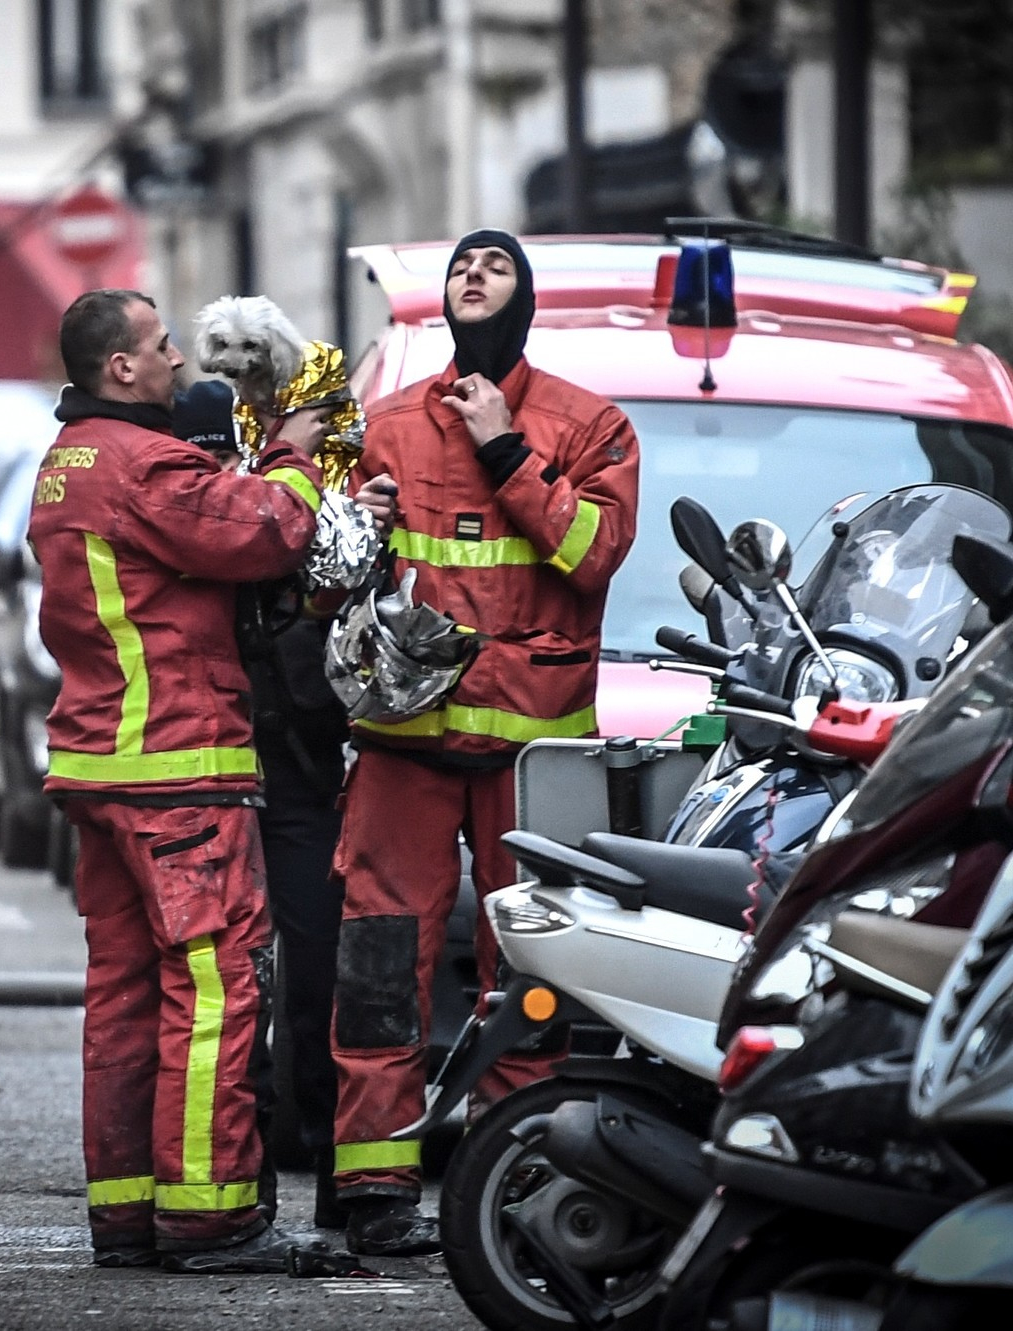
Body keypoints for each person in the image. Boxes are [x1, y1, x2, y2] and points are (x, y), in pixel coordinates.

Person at [329, 230, 642, 1254]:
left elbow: (593, 552)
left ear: (525, 296)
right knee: (380, 957)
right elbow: (336, 573)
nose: (474, 276)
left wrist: (508, 448)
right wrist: (354, 521)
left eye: (495, 265)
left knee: (533, 965)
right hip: (407, 738)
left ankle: (522, 1173)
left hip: (530, 751)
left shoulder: (589, 426)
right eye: (464, 263)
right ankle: (374, 1188)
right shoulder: (386, 427)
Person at [29, 289, 326, 1274]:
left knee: (122, 995)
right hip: (177, 767)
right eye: (162, 347)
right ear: (120, 366)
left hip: (98, 762)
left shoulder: (67, 463)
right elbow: (266, 533)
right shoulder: (142, 462)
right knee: (214, 987)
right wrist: (293, 452)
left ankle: (125, 1212)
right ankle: (209, 1216)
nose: (177, 363)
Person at [172, 379, 353, 1232]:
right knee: (230, 989)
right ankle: (238, 1189)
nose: (210, 468)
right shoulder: (203, 510)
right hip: (213, 775)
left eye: (220, 452)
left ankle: (325, 1172)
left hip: (294, 775)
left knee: (316, 980)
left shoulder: (276, 502)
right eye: (198, 453)